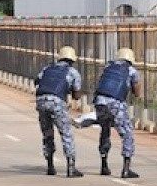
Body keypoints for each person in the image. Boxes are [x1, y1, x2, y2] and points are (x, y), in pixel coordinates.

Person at [34, 46, 83, 178]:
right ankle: (71, 168)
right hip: (57, 103)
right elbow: (77, 95)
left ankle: (50, 166)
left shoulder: (47, 68)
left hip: (41, 101)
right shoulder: (72, 72)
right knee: (66, 134)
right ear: (72, 60)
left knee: (47, 134)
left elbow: (37, 81)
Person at [93, 48, 141, 178]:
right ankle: (126, 169)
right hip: (116, 104)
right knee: (127, 133)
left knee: (105, 130)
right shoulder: (132, 71)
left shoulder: (108, 67)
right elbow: (137, 93)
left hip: (100, 102)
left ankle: (104, 165)